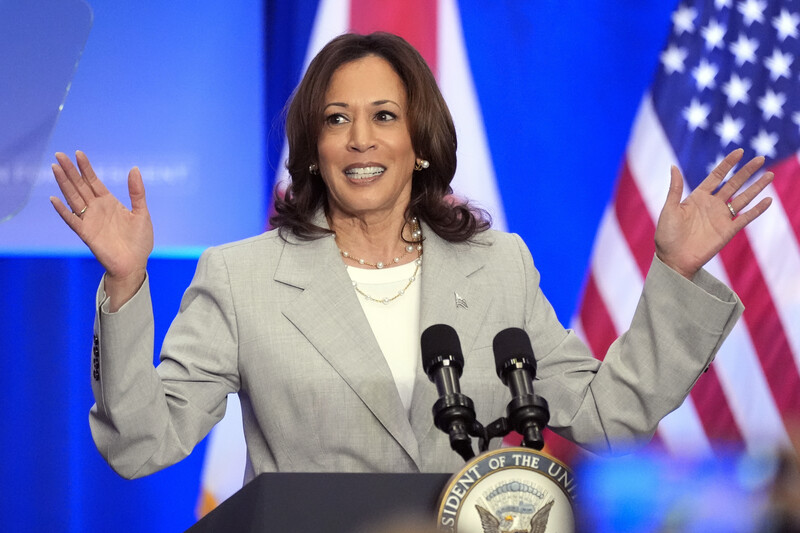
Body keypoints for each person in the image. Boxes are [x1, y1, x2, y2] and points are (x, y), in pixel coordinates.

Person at [50, 32, 772, 482]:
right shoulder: (240, 278)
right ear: (314, 150)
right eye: (337, 120)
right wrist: (125, 279)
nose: (360, 139)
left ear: (420, 142)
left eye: (384, 117)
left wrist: (674, 273)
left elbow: (608, 415)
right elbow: (143, 443)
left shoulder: (499, 266)